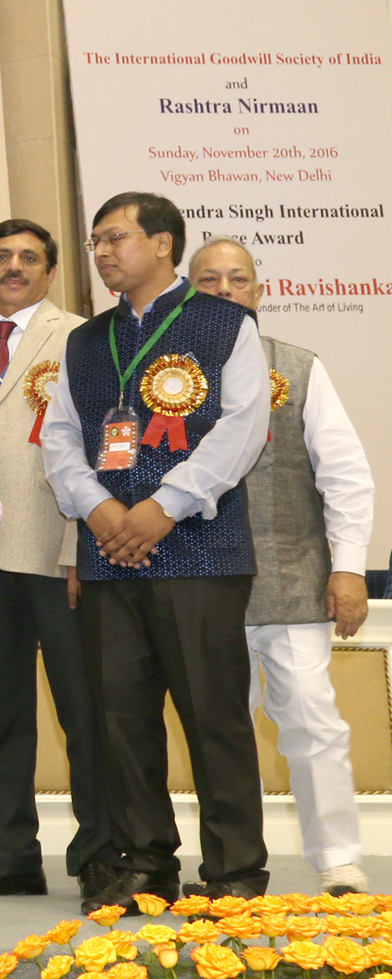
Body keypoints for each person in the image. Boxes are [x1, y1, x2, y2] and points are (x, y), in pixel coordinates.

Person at [40, 192, 270, 912]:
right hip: (111, 556)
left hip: (199, 552)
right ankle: (145, 863)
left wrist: (162, 507)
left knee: (213, 716)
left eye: (117, 237)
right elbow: (60, 438)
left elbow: (241, 428)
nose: (104, 252)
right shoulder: (85, 340)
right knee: (121, 718)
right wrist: (103, 508)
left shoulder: (225, 323)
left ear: (164, 243)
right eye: (96, 242)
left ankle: (234, 871)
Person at [188, 237, 373, 896]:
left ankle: (340, 860)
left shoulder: (296, 366)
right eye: (209, 279)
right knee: (217, 732)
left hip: (291, 582)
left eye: (238, 278)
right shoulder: (165, 374)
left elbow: (346, 474)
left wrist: (348, 568)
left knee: (313, 724)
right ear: (188, 289)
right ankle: (233, 868)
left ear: (258, 291)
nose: (225, 289)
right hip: (197, 585)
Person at [0, 219, 117, 901]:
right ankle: (10, 854)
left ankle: (100, 854)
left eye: (28, 257)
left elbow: (97, 448)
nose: (13, 267)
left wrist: (83, 548)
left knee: (84, 711)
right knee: (4, 715)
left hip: (58, 554)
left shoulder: (80, 337)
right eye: (1, 257)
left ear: (50, 271)